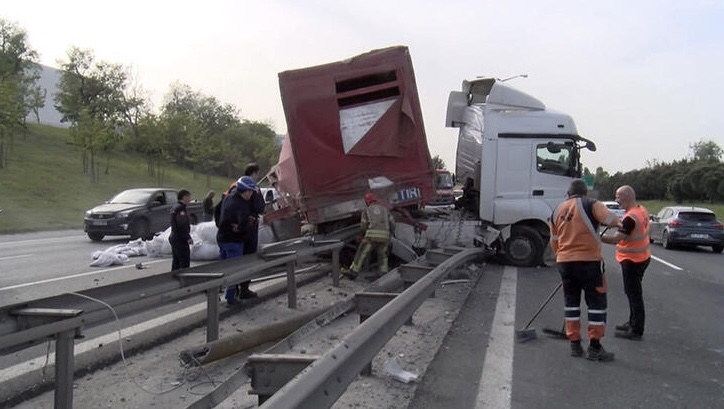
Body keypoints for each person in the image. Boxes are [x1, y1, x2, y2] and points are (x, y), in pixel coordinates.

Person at [549, 179, 620, 362]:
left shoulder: (557, 209)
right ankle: (594, 347)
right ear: (585, 192)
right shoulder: (592, 204)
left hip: (565, 262)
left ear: (568, 193)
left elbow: (554, 240)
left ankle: (574, 344)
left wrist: (562, 258)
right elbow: (612, 220)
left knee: (571, 303)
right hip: (589, 262)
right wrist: (620, 224)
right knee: (596, 304)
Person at [601, 185, 651, 341]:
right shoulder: (640, 210)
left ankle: (636, 330)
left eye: (618, 197)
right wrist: (616, 224)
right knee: (632, 293)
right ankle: (632, 322)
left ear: (627, 197)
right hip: (642, 257)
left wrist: (597, 238)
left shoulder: (630, 218)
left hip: (632, 260)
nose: (617, 200)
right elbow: (628, 228)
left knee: (634, 295)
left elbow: (616, 239)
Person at [216, 176, 260, 304]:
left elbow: (217, 210)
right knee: (235, 269)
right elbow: (242, 223)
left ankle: (216, 292)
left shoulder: (228, 197)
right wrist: (247, 224)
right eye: (250, 192)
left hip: (222, 237)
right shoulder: (241, 204)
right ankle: (230, 297)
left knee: (222, 267)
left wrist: (220, 224)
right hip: (234, 241)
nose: (251, 195)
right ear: (245, 191)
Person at [341, 192, 396, 280]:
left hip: (371, 236)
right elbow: (392, 223)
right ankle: (383, 274)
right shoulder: (385, 210)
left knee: (362, 252)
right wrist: (390, 234)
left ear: (367, 202)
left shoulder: (366, 211)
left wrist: (363, 235)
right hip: (385, 236)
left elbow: (363, 226)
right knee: (383, 255)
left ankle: (353, 272)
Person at [242, 163, 266, 256]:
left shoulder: (241, 184)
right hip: (250, 221)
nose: (257, 176)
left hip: (246, 221)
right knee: (250, 248)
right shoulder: (252, 187)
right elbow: (258, 205)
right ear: (253, 174)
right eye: (257, 174)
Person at [169, 189, 193, 270]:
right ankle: (185, 280)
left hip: (174, 237)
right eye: (189, 197)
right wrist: (188, 237)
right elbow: (182, 225)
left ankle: (173, 280)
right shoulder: (181, 209)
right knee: (184, 262)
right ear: (184, 197)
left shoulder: (175, 207)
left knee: (176, 262)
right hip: (180, 239)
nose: (190, 199)